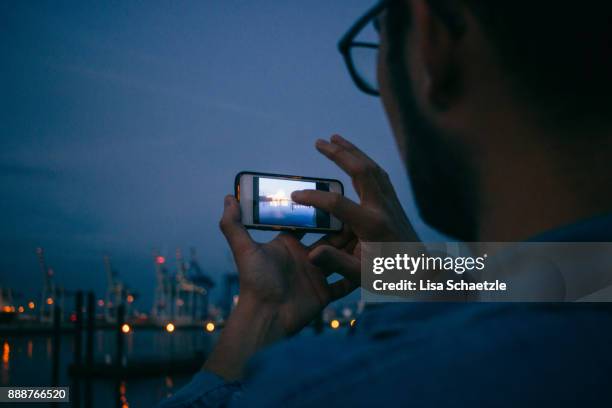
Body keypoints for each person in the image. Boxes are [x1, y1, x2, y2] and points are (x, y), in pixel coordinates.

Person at [159, 0, 612, 406]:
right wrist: (427, 284)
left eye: (377, 40)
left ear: (431, 39)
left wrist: (261, 314)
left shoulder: (338, 389)